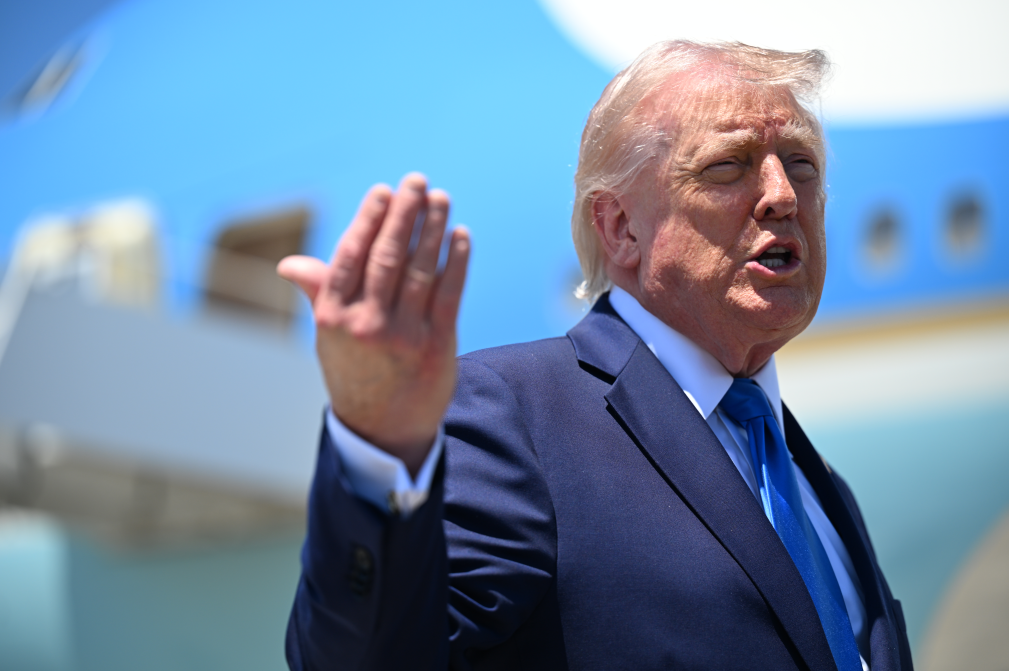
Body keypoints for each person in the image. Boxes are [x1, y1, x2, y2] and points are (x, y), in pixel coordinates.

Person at [278, 41, 913, 671]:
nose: (783, 194)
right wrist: (377, 451)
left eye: (802, 164)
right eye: (728, 166)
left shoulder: (815, 483)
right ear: (620, 227)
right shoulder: (514, 420)